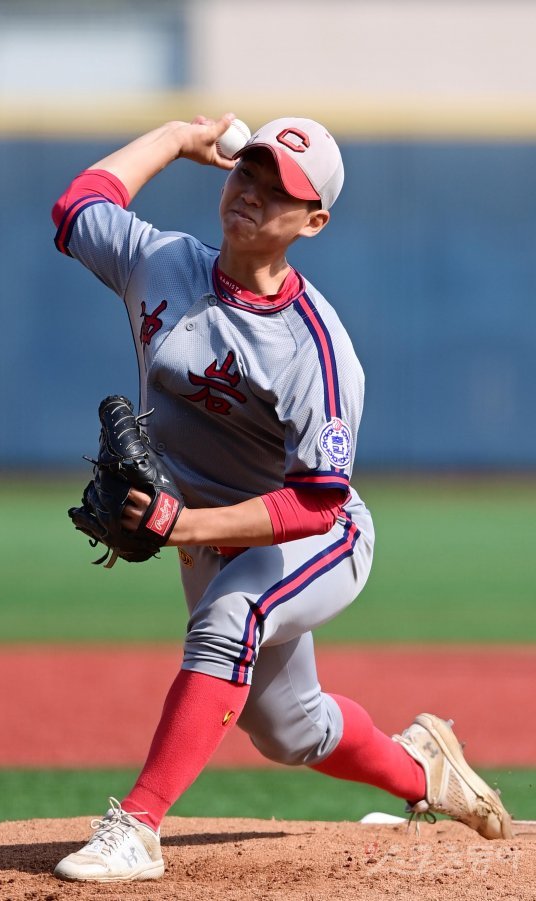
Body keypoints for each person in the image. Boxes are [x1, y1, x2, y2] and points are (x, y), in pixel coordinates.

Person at [51, 114, 512, 882]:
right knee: (289, 728)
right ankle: (427, 769)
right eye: (249, 173)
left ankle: (137, 827)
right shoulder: (160, 262)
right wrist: (178, 138)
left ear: (313, 221)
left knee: (232, 617)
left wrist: (180, 524)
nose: (252, 194)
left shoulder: (314, 348)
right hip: (209, 535)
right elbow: (77, 207)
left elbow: (318, 502)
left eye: (280, 190)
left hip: (315, 535)